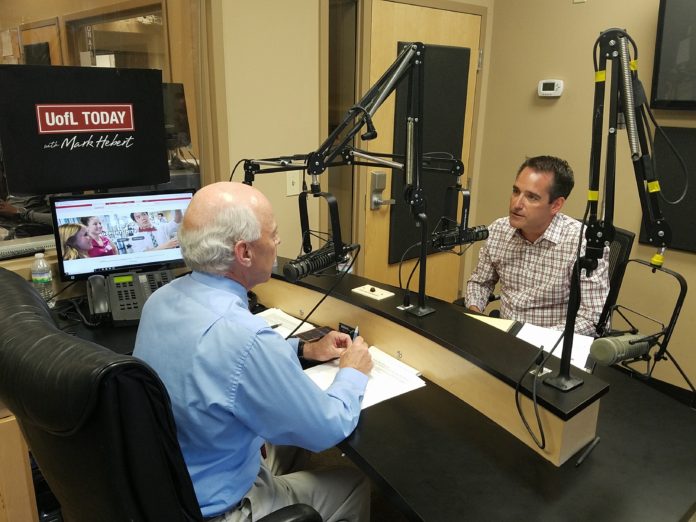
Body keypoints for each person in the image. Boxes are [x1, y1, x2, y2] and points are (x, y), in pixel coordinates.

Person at [133, 182, 373, 521]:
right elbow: (327, 427)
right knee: (353, 482)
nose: (278, 243)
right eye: (273, 234)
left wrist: (304, 349)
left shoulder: (159, 301)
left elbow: (224, 365)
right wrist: (352, 372)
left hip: (178, 483)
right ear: (244, 253)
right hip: (221, 507)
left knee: (286, 441)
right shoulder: (245, 337)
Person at [465, 155, 609, 336]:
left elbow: (593, 319)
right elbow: (480, 282)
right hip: (503, 338)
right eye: (516, 191)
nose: (516, 204)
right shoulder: (498, 230)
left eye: (531, 197)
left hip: (552, 346)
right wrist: (476, 314)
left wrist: (531, 338)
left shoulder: (584, 245)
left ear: (556, 205)